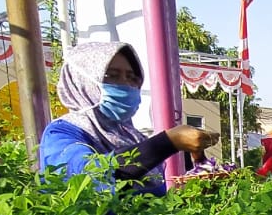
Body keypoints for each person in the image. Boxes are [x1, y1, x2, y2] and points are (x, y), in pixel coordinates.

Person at [40, 42, 218, 195]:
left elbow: (150, 203)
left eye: (132, 77)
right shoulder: (63, 133)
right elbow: (87, 178)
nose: (126, 84)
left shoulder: (132, 137)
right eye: (112, 76)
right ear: (82, 81)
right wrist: (167, 143)